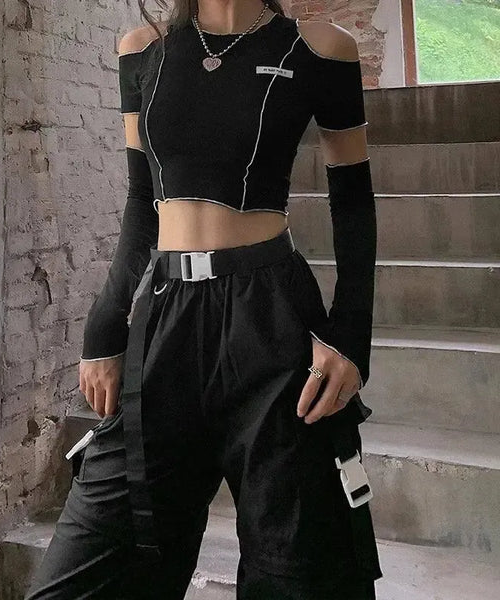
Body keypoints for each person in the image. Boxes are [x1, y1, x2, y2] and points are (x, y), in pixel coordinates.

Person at [25, 1, 383, 598]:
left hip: (271, 317)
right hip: (166, 316)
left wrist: (351, 336)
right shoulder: (143, 51)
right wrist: (105, 325)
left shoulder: (321, 48)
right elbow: (141, 201)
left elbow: (352, 200)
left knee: (299, 572)